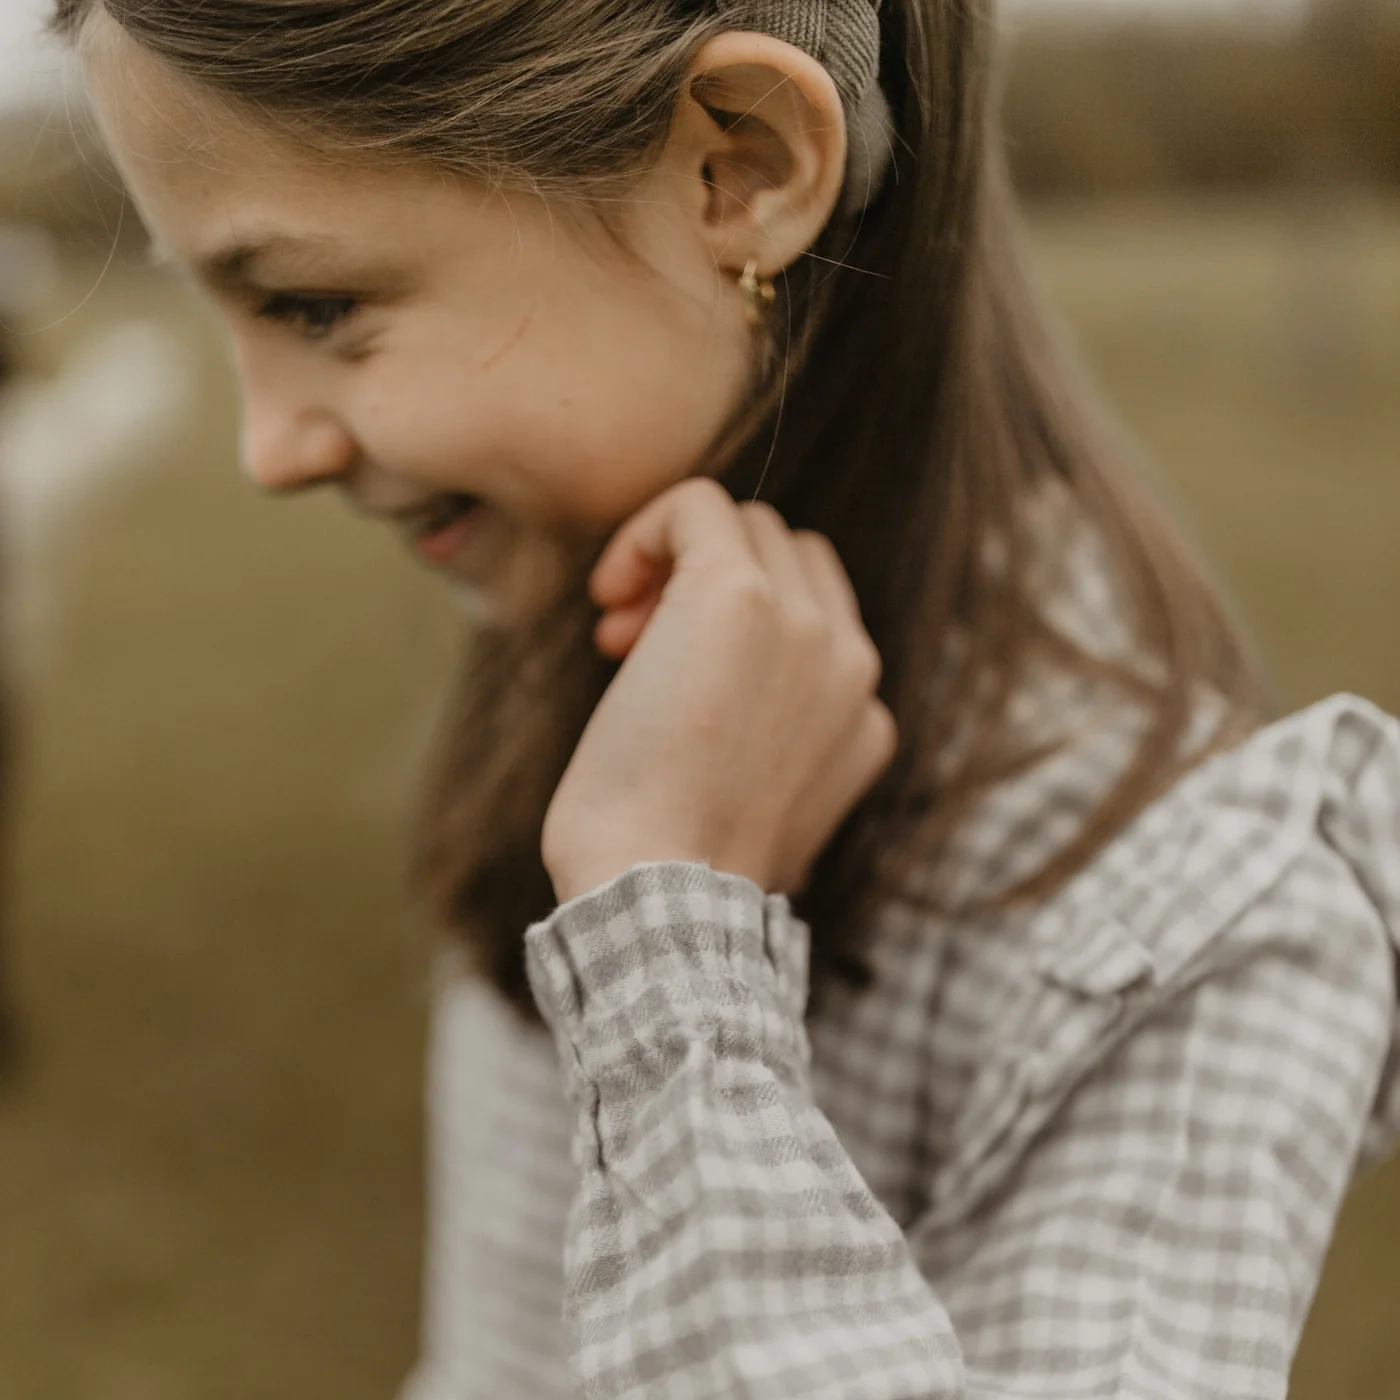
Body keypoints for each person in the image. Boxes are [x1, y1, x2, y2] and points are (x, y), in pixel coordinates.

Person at [55, 2, 1400, 1396]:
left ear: (739, 171)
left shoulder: (1193, 915)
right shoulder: (605, 615)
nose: (267, 447)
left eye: (316, 307)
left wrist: (669, 932)